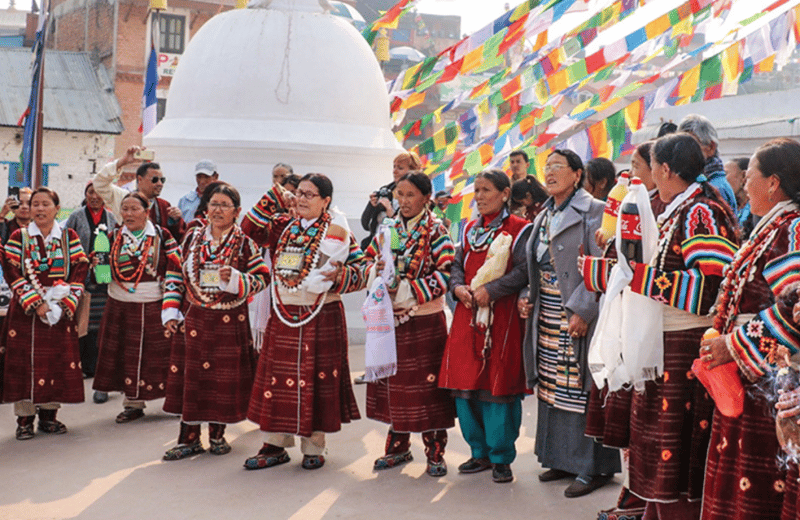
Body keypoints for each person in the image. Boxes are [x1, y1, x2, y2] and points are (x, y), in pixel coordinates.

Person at [625, 133, 738, 519]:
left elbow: (714, 286)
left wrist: (638, 279)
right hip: (667, 341)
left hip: (686, 342)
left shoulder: (701, 212)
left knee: (675, 444)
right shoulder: (678, 208)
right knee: (657, 442)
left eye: (651, 164)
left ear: (665, 169)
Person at [700, 139, 800, 520]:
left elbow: (793, 309)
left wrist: (736, 343)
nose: (742, 185)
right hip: (753, 371)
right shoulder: (775, 225)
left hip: (770, 374)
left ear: (773, 182)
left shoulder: (792, 230)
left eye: (750, 176)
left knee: (759, 479)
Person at [243, 174, 364, 470]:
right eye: (299, 193)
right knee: (277, 378)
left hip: (321, 313)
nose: (302, 199)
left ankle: (314, 447)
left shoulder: (339, 233)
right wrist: (275, 194)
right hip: (284, 313)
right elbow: (248, 228)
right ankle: (274, 444)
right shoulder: (284, 226)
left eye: (310, 195)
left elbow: (361, 270)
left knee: (316, 378)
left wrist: (339, 277)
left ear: (326, 202)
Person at [519, 149, 620, 498]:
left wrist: (583, 310)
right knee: (552, 386)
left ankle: (593, 467)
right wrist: (529, 296)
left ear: (577, 175)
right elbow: (537, 264)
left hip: (578, 312)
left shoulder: (595, 211)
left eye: (557, 167)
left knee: (580, 387)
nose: (548, 173)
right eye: (546, 167)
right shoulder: (545, 213)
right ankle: (560, 459)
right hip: (547, 309)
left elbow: (605, 263)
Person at [161, 183, 269, 460]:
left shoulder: (245, 244)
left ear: (237, 211)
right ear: (205, 208)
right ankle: (188, 439)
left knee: (221, 380)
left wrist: (234, 279)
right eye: (213, 204)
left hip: (228, 320)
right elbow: (175, 274)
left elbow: (262, 278)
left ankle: (218, 435)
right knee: (192, 378)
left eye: (224, 205)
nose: (218, 210)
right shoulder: (191, 240)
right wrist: (171, 312)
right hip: (194, 319)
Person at [439, 169, 533, 484]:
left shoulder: (520, 229)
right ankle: (477, 452)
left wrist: (490, 291)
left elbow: (523, 271)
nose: (479, 196)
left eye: (487, 190)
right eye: (476, 190)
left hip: (500, 317)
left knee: (498, 386)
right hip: (468, 314)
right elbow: (455, 265)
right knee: (465, 385)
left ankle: (501, 457)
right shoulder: (467, 228)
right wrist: (458, 289)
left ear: (505, 194)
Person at [362, 172, 456, 477]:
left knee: (426, 390)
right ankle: (398, 447)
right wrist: (376, 274)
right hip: (391, 321)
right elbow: (368, 261)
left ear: (426, 197)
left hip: (424, 321)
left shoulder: (436, 230)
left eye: (410, 195)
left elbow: (445, 274)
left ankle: (435, 450)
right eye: (399, 195)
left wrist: (405, 290)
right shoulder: (387, 229)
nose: (403, 201)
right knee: (395, 386)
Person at [0, 187, 89, 440]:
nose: (38, 208)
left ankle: (49, 416)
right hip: (26, 310)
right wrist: (36, 302)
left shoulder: (68, 236)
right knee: (24, 363)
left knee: (56, 361)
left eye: (44, 204)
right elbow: (12, 271)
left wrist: (67, 302)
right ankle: (25, 419)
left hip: (60, 309)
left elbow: (80, 268)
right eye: (34, 204)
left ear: (57, 209)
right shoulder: (20, 236)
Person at [91, 192, 180, 424]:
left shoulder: (162, 235)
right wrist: (99, 266)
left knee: (161, 354)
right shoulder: (109, 237)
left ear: (146, 211)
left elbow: (176, 266)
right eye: (125, 209)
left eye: (134, 209)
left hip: (154, 305)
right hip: (120, 306)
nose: (128, 214)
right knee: (125, 355)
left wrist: (172, 301)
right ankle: (132, 404)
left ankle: (172, 401)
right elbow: (101, 278)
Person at [64, 181, 118, 404]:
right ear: (85, 194)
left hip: (104, 274)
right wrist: (84, 261)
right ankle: (83, 366)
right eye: (90, 192)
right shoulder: (77, 215)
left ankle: (95, 366)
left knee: (99, 321)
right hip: (82, 271)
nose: (94, 196)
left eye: (98, 192)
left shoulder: (112, 217)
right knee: (83, 321)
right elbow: (66, 243)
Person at [93, 146, 187, 241]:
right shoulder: (123, 197)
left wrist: (176, 220)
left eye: (162, 180)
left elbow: (176, 239)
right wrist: (122, 162)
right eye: (154, 180)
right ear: (140, 179)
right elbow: (99, 183)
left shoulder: (164, 206)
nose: (160, 184)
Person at [360, 151, 421, 250]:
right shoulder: (386, 190)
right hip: (376, 247)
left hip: (401, 249)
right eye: (394, 167)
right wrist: (371, 206)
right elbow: (365, 225)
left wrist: (391, 213)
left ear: (412, 172)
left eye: (400, 168)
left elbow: (413, 228)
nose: (394, 171)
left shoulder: (419, 196)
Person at [678, 114, 738, 212]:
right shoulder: (697, 181)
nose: (683, 152)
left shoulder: (716, 188)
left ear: (710, 147)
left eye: (691, 145)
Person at [725, 157, 755, 236]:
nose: (722, 180)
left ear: (743, 176)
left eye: (725, 174)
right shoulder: (729, 205)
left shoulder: (757, 208)